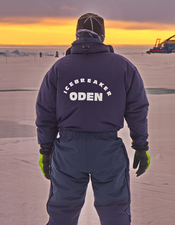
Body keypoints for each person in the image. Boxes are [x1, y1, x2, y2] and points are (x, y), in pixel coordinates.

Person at [36, 12, 150, 225]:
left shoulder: (59, 68)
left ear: (77, 35)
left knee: (62, 210)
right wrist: (141, 146)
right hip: (107, 151)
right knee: (115, 210)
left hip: (68, 153)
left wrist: (46, 150)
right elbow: (137, 110)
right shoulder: (123, 67)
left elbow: (45, 113)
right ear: (102, 35)